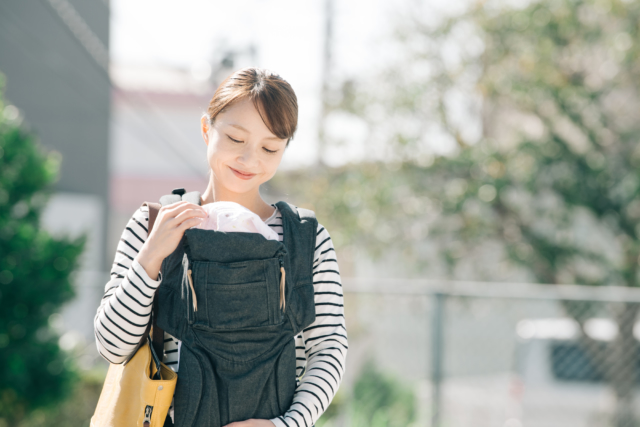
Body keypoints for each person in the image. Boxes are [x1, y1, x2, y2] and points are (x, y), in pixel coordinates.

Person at [94, 67, 347, 427]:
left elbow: (329, 349)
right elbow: (112, 346)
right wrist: (151, 257)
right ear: (205, 129)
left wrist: (286, 425)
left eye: (269, 147)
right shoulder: (153, 224)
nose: (250, 159)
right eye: (235, 138)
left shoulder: (306, 238)